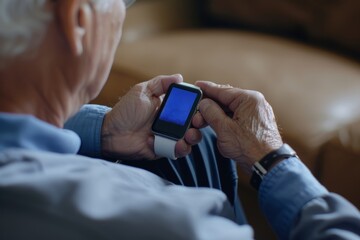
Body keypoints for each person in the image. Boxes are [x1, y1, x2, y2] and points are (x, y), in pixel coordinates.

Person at [0, 0, 359, 239]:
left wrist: (102, 132)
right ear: (78, 19)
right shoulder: (180, 226)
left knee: (201, 145)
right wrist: (273, 160)